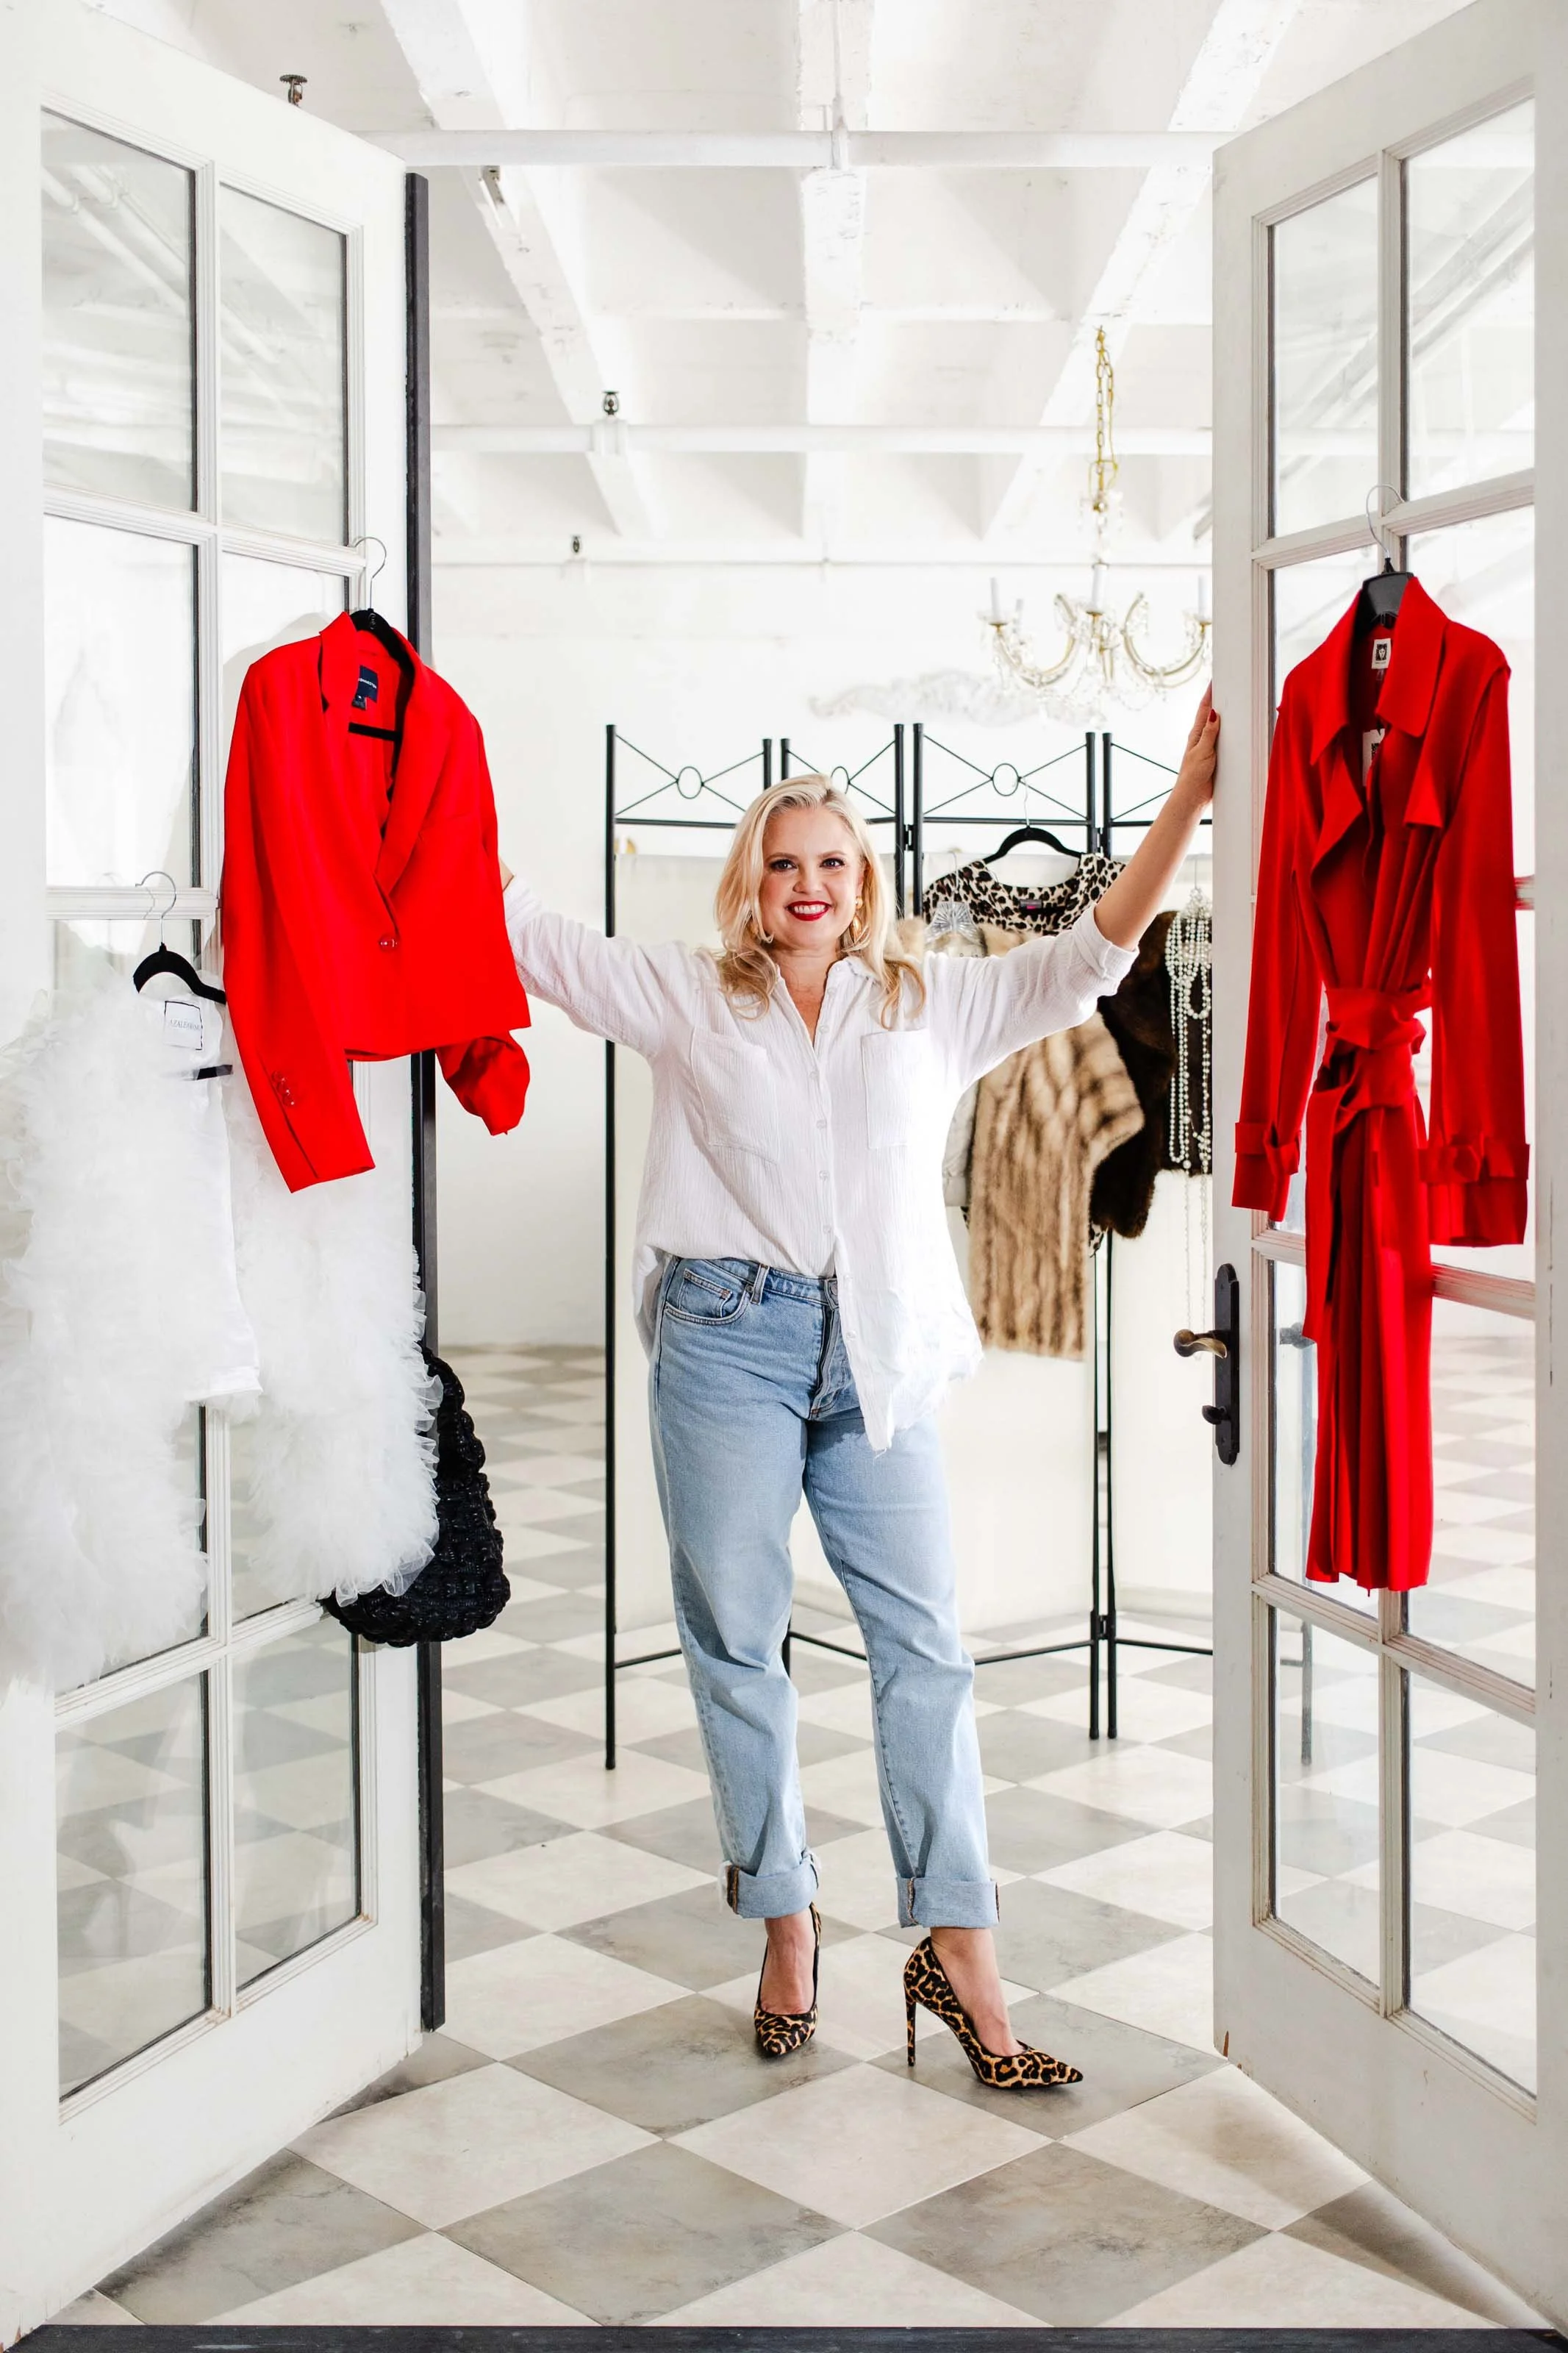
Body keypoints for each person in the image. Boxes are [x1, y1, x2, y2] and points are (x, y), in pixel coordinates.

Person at [498, 687, 1219, 2088]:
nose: (809, 885)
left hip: (878, 1354)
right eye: (783, 863)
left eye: (832, 861)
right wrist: (438, 793)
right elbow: (536, 940)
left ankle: (960, 1950)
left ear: (866, 880)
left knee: (925, 1650)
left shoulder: (931, 999)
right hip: (726, 1339)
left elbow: (1092, 956)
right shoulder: (690, 994)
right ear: (751, 883)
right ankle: (787, 1919)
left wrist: (1188, 800)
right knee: (739, 1638)